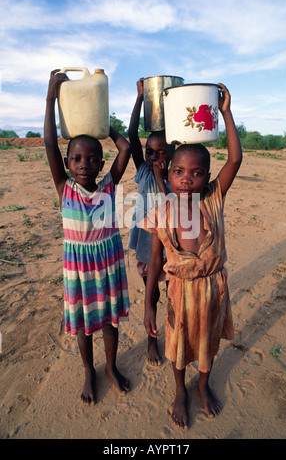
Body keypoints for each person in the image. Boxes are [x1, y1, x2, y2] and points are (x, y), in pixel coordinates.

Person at [140, 83, 242, 429]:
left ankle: (203, 383)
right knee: (179, 343)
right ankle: (180, 390)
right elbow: (155, 262)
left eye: (197, 173)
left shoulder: (213, 199)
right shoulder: (163, 211)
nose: (187, 180)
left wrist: (225, 112)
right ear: (168, 175)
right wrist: (148, 302)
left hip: (213, 291)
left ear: (207, 179)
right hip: (180, 293)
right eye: (179, 172)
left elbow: (235, 158)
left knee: (209, 341)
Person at [44, 69, 131, 404]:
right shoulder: (64, 188)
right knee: (83, 325)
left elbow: (124, 147)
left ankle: (110, 366)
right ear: (67, 163)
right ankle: (88, 371)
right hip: (79, 269)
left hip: (107, 265)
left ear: (101, 163)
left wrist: (100, 120)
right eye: (77, 158)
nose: (85, 163)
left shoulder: (109, 186)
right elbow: (51, 142)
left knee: (109, 322)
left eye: (92, 158)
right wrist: (52, 97)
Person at [128, 78, 172, 366]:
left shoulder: (177, 177)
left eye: (161, 153)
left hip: (173, 247)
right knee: (152, 293)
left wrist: (161, 174)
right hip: (147, 246)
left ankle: (176, 335)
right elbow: (132, 134)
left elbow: (170, 204)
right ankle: (152, 340)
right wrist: (140, 98)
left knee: (176, 298)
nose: (154, 157)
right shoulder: (143, 171)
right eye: (149, 152)